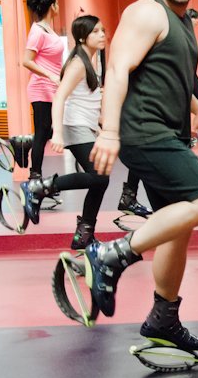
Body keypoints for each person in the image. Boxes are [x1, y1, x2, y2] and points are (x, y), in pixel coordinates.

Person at [86, 0, 198, 353]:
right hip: (145, 131)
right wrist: (109, 131)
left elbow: (168, 74)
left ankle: (164, 318)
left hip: (168, 130)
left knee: (176, 228)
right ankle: (111, 255)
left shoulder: (181, 20)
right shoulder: (147, 12)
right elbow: (118, 68)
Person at [19, 15, 150, 247]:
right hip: (74, 126)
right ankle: (40, 188)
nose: (102, 35)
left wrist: (102, 126)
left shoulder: (91, 60)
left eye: (103, 30)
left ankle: (85, 234)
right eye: (96, 32)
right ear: (82, 38)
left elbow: (87, 99)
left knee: (100, 180)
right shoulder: (78, 63)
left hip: (85, 126)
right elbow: (60, 97)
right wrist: (57, 133)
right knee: (98, 177)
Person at [22, 0, 64, 180]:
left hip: (53, 87)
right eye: (56, 3)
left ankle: (24, 143)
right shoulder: (37, 31)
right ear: (52, 6)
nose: (58, 6)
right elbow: (26, 61)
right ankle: (35, 176)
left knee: (48, 130)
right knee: (42, 132)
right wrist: (50, 75)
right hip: (40, 87)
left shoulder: (49, 29)